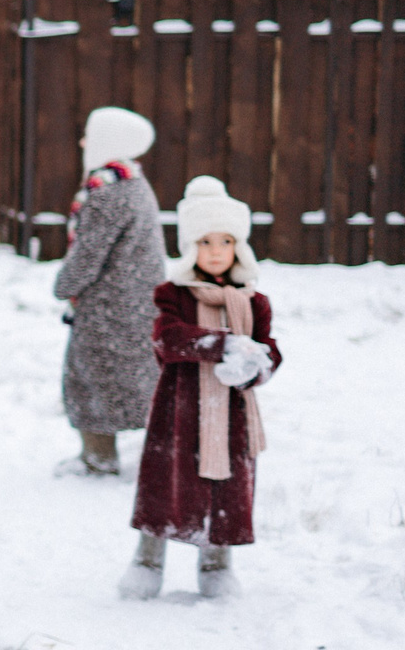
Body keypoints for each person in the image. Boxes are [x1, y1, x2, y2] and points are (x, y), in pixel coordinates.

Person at [121, 176, 280, 601]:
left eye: (225, 241)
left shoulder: (254, 302)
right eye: (206, 242)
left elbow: (271, 351)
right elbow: (168, 340)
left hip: (231, 420)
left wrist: (254, 366)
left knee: (223, 492)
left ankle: (216, 566)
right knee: (166, 490)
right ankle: (147, 562)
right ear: (191, 246)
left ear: (238, 246)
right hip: (179, 414)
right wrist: (222, 345)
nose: (215, 252)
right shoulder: (173, 295)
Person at [51, 107, 162, 476]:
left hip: (111, 309)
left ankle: (99, 458)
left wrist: (64, 285)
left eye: (89, 135)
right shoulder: (132, 182)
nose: (82, 142)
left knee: (92, 382)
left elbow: (88, 253)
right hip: (132, 304)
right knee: (119, 382)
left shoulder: (108, 192)